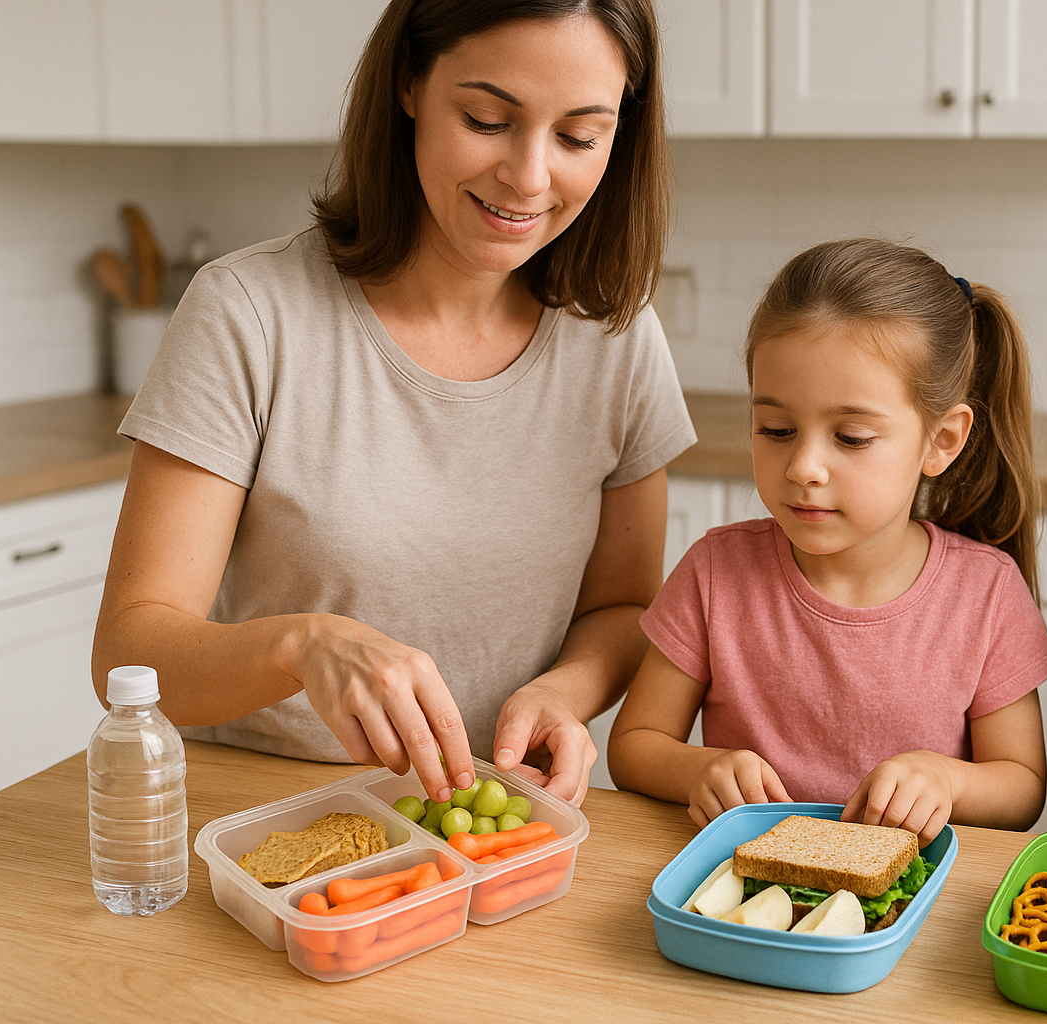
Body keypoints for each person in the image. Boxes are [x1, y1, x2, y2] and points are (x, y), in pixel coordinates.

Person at [91, 0, 695, 808]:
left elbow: (625, 605)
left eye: (579, 136)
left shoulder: (617, 338)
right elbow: (129, 653)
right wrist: (301, 645)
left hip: (486, 824)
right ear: (409, 81)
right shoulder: (248, 312)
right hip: (255, 813)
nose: (529, 175)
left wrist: (565, 691)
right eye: (486, 118)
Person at [608, 238, 1047, 844]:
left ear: (941, 442)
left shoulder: (987, 591)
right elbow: (634, 746)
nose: (803, 467)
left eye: (850, 437)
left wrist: (945, 781)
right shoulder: (715, 571)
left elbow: (1023, 787)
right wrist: (699, 769)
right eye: (776, 429)